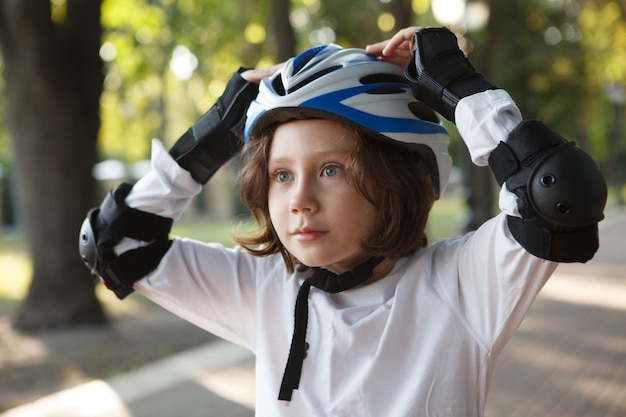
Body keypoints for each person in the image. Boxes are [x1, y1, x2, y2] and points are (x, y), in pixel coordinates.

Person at [79, 27, 607, 416]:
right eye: (282, 175)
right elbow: (115, 245)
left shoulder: (460, 285)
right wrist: (218, 128)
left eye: (330, 170)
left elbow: (557, 195)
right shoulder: (266, 288)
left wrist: (453, 83)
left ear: (397, 181)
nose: (300, 200)